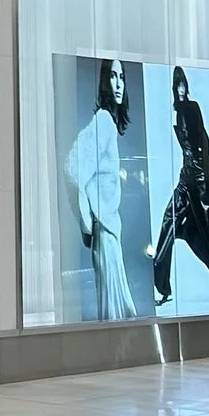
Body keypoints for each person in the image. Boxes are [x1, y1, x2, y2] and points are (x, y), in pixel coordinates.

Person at [152, 66, 209, 306]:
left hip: (196, 179)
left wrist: (205, 179)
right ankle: (162, 287)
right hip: (186, 178)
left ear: (186, 86)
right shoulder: (177, 111)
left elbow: (203, 142)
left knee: (207, 235)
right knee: (170, 221)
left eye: (182, 84)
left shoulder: (191, 107)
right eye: (177, 85)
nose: (180, 89)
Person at [63, 62, 138, 320]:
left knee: (118, 311)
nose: (118, 83)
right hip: (104, 232)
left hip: (109, 232)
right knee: (115, 313)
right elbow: (73, 169)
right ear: (104, 82)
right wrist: (88, 221)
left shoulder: (108, 125)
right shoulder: (104, 122)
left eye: (121, 77)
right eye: (112, 76)